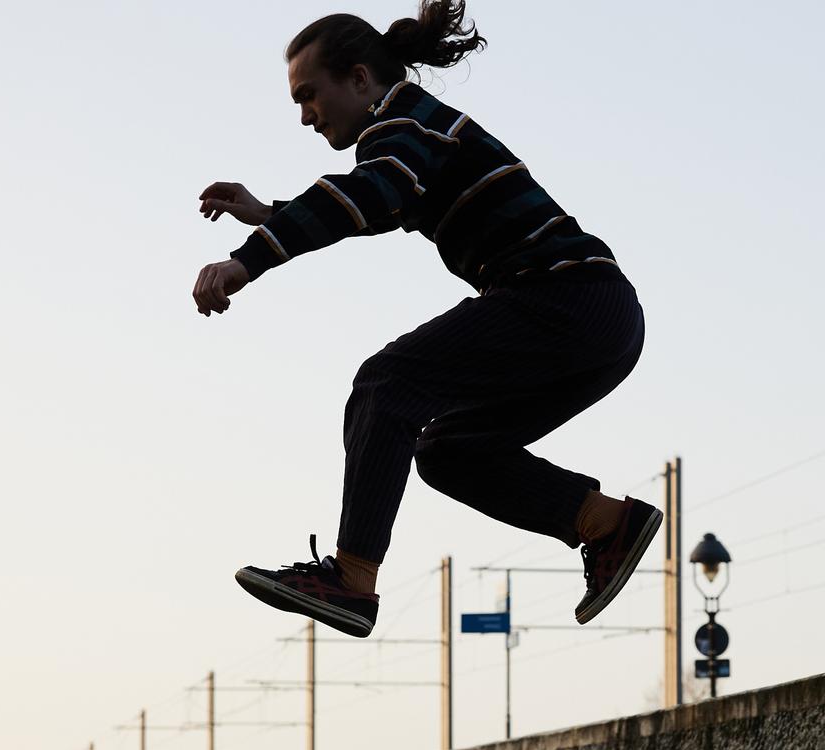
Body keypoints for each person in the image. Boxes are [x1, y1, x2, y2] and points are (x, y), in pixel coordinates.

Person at [192, 2, 660, 639]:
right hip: (595, 321)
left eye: (309, 96)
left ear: (359, 78)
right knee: (447, 450)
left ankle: (352, 580)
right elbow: (383, 201)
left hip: (564, 297)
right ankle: (604, 522)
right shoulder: (416, 136)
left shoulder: (404, 121)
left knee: (389, 384)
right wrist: (271, 213)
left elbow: (370, 194)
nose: (305, 116)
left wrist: (248, 262)